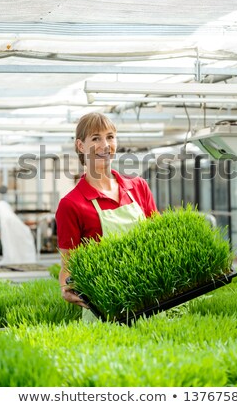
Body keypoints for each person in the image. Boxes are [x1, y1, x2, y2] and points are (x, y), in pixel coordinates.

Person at [55, 112, 158, 320]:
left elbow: (159, 243)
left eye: (110, 137)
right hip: (104, 310)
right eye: (96, 138)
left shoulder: (138, 187)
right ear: (81, 146)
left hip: (151, 301)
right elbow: (68, 266)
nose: (105, 145)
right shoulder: (71, 204)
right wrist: (65, 287)